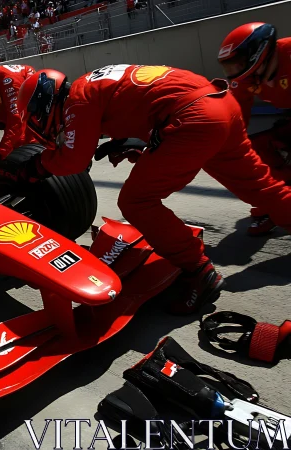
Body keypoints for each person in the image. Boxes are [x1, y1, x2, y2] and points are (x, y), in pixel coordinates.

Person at [17, 65, 291, 314]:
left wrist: (37, 166)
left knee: (136, 201)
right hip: (219, 103)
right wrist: (139, 141)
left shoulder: (77, 101)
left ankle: (198, 270)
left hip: (192, 119)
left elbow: (73, 161)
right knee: (260, 185)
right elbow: (147, 99)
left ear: (44, 103)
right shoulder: (91, 81)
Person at [218, 22, 291, 235]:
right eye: (228, 66)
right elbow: (238, 114)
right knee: (255, 148)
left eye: (236, 64)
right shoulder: (245, 78)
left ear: (258, 53)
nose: (233, 72)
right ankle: (275, 201)